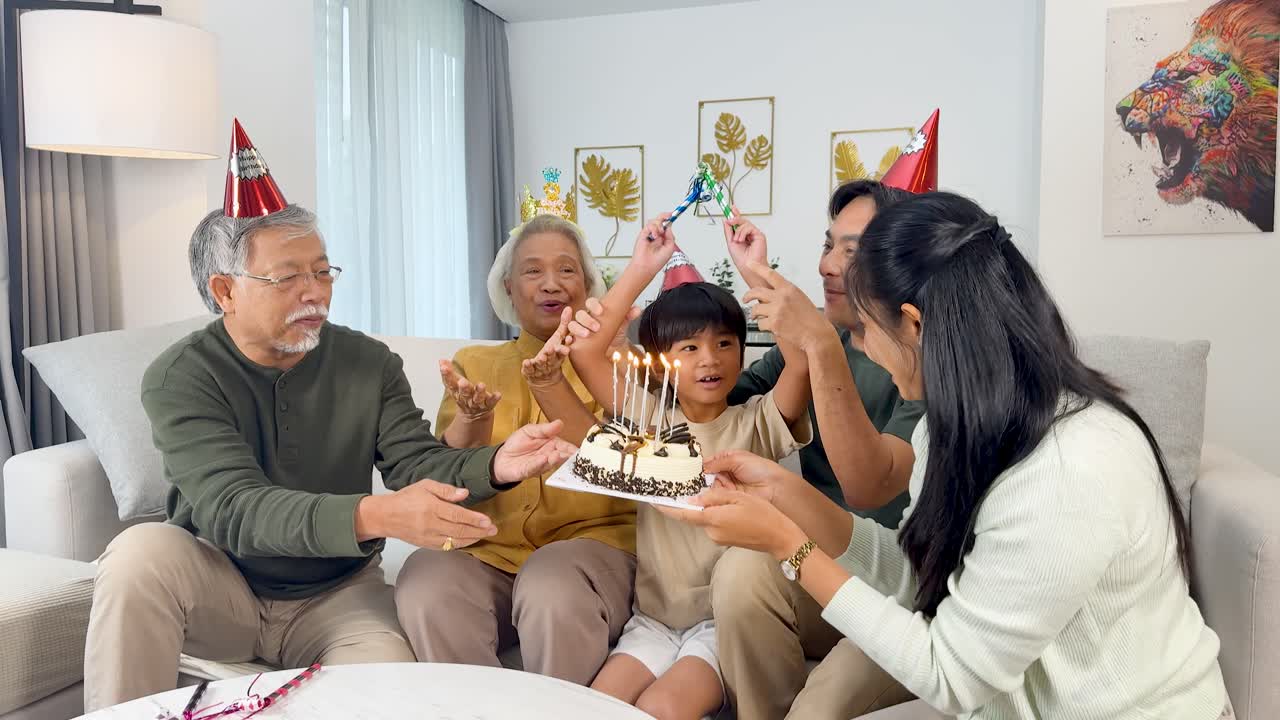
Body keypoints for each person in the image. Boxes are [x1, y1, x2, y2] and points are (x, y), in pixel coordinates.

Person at [665, 191, 1230, 719]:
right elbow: (919, 576)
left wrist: (788, 543)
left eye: (866, 328)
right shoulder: (951, 428)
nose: (864, 349)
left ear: (913, 324)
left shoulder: (1069, 469)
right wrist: (784, 492)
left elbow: (951, 674)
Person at [82, 121, 576, 711]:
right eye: (287, 278)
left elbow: (414, 463)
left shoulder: (368, 362)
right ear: (225, 291)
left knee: (389, 687)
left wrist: (495, 464)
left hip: (339, 594)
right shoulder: (182, 376)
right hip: (220, 585)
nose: (314, 292)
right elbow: (233, 509)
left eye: (321, 271)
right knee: (139, 555)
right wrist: (379, 514)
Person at [566, 180, 925, 719]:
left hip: (877, 579)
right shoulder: (661, 418)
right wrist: (648, 268)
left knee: (677, 687)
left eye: (852, 252)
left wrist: (796, 319)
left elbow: (865, 480)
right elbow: (608, 362)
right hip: (666, 616)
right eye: (828, 246)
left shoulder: (917, 370)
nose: (708, 361)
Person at [563, 217, 812, 720]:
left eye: (724, 343)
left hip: (722, 626)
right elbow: (586, 351)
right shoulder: (647, 418)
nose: (710, 359)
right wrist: (642, 266)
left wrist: (755, 270)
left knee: (660, 708)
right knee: (593, 708)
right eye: (690, 348)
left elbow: (803, 362)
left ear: (743, 350)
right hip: (652, 622)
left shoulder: (758, 421)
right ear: (661, 361)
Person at [394, 205, 638, 685]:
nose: (551, 284)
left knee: (550, 583)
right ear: (508, 287)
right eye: (532, 271)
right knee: (425, 581)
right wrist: (472, 418)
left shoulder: (618, 363)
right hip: (488, 550)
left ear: (587, 284)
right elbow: (448, 474)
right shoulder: (474, 363)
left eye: (567, 270)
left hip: (593, 547)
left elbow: (627, 468)